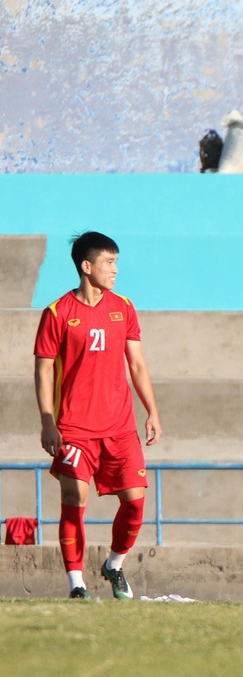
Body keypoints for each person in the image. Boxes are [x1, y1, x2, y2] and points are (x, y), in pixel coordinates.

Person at [33, 231, 162, 600]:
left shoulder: (124, 307)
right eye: (109, 262)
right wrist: (47, 421)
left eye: (116, 262)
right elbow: (43, 371)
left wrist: (152, 411)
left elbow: (137, 365)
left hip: (120, 428)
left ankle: (115, 564)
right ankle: (77, 585)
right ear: (86, 267)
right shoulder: (57, 313)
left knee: (135, 502)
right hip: (73, 429)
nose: (116, 269)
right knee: (74, 498)